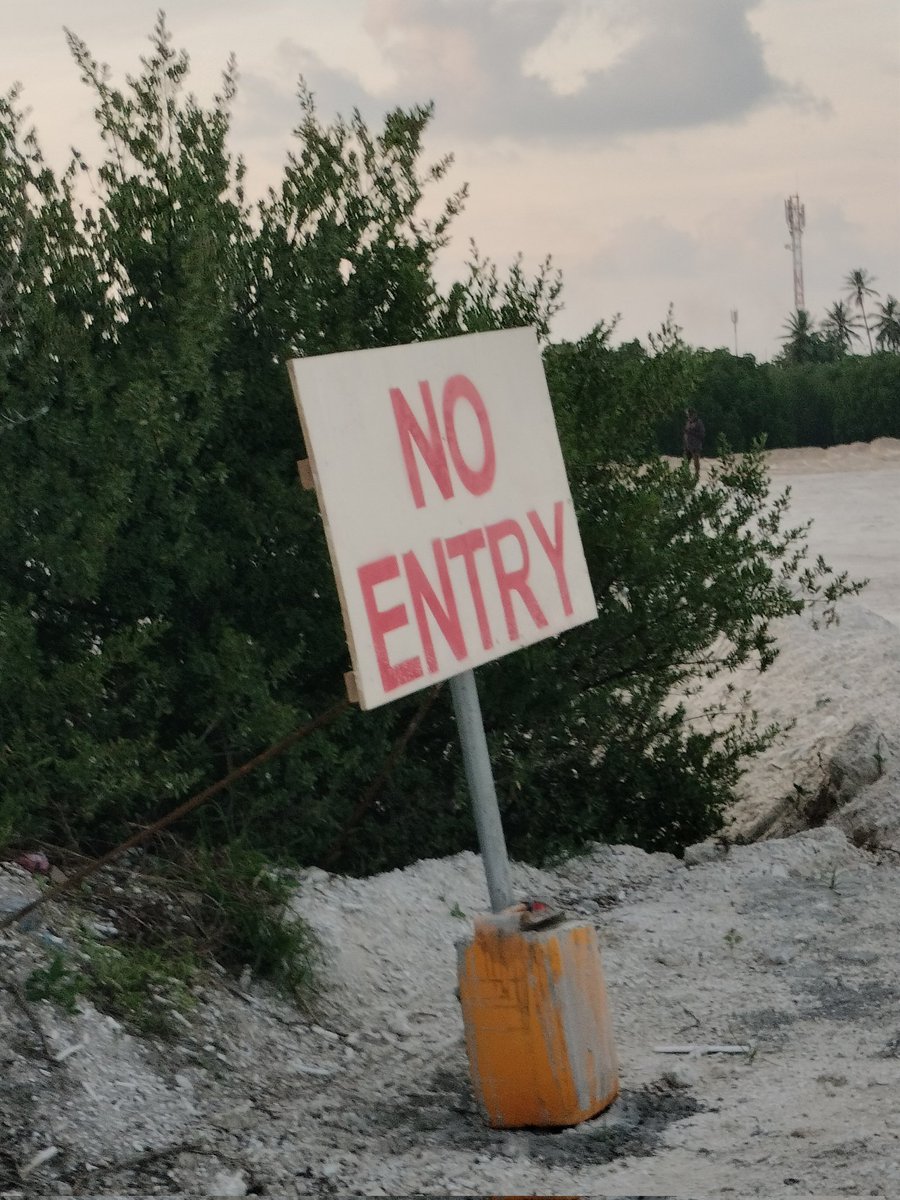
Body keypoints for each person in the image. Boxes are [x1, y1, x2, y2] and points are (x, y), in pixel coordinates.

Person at [683, 408, 705, 478]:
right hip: (688, 445)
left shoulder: (699, 423)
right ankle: (685, 474)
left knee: (696, 460)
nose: (689, 416)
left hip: (696, 445)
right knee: (686, 461)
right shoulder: (688, 422)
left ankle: (697, 474)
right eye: (688, 415)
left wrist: (691, 432)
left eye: (690, 415)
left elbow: (702, 434)